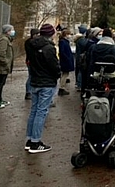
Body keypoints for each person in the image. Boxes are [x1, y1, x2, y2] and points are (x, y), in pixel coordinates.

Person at [25, 23, 60, 153]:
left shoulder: (30, 45)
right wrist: (57, 75)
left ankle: (30, 139)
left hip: (35, 80)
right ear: (51, 34)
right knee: (41, 111)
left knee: (34, 110)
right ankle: (36, 141)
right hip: (46, 82)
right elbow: (54, 66)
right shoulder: (49, 48)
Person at [0, 24, 15, 109]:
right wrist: (6, 63)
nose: (13, 31)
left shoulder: (6, 39)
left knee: (1, 83)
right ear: (8, 31)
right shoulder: (4, 40)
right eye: (12, 30)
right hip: (2, 66)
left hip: (4, 66)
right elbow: (1, 53)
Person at [24, 28, 40, 100]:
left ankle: (30, 91)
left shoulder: (28, 41)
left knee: (32, 76)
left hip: (31, 61)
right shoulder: (30, 42)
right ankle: (28, 92)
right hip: (31, 61)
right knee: (31, 76)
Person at [58, 28, 74, 96]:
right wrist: (67, 59)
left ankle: (62, 87)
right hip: (65, 61)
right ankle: (61, 88)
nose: (70, 36)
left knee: (65, 74)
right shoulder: (63, 42)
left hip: (66, 60)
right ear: (66, 34)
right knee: (65, 74)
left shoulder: (64, 41)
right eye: (69, 34)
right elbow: (62, 52)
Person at [74, 25, 88, 91]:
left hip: (78, 56)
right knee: (80, 71)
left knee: (79, 70)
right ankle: (79, 84)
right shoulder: (82, 40)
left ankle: (78, 83)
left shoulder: (79, 39)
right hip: (81, 57)